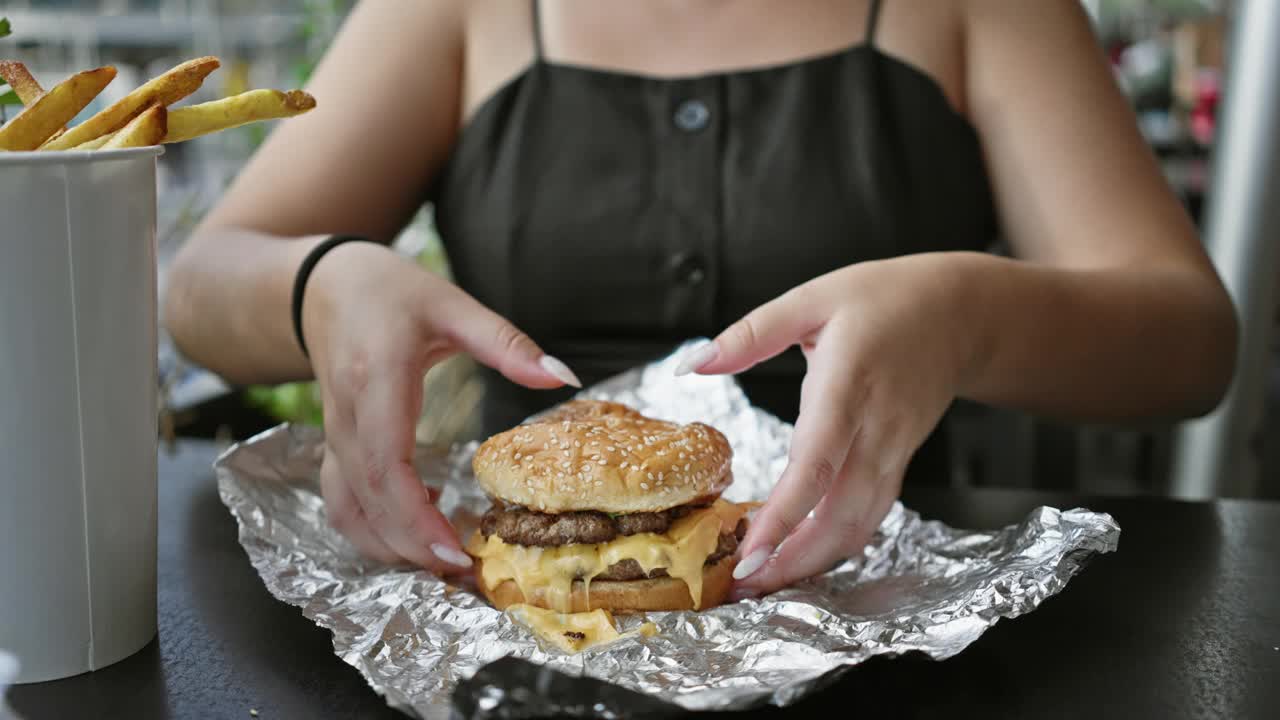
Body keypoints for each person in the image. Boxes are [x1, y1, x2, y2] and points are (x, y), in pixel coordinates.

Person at [163, 0, 1237, 600]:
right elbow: (199, 290)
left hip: (900, 634)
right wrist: (323, 286)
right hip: (504, 639)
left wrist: (965, 312)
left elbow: (1188, 343)